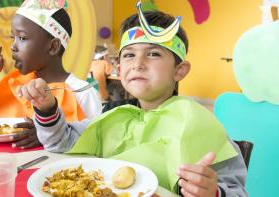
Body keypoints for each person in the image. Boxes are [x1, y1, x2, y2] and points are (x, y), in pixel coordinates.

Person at [17, 6, 248, 197]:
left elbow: (238, 192)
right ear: (119, 67)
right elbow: (62, 143)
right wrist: (47, 108)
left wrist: (215, 192)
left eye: (154, 53)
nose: (138, 63)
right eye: (129, 55)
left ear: (180, 70)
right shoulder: (112, 115)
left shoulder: (199, 125)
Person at [0, 0, 102, 149]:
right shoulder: (15, 83)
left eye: (22, 38)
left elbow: (97, 141)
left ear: (53, 46)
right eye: (12, 37)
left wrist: (47, 133)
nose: (13, 46)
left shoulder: (82, 92)